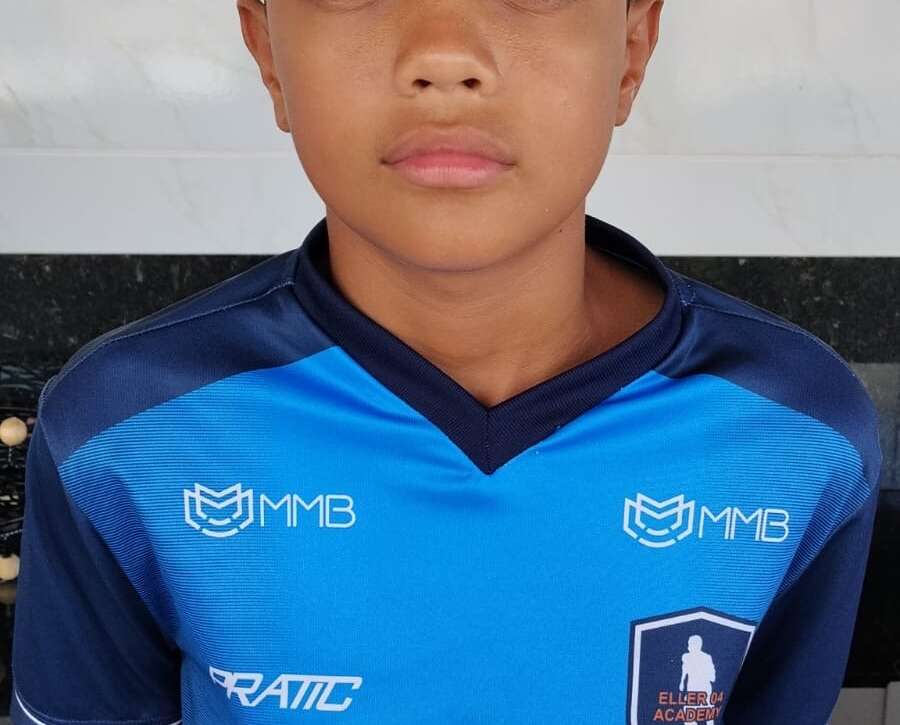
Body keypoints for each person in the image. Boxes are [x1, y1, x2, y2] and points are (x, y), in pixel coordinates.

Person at [10, 0, 882, 723]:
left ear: (631, 47)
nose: (443, 54)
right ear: (267, 51)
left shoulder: (803, 438)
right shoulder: (119, 433)